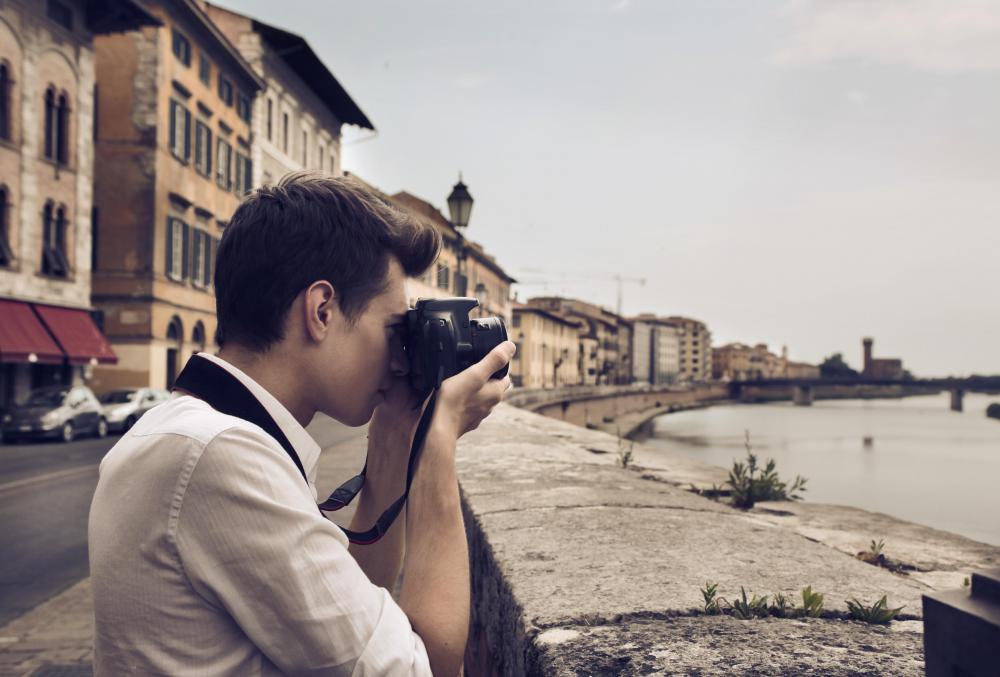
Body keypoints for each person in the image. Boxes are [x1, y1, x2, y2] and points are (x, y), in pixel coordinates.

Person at [88, 172, 515, 676]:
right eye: (394, 328)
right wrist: (438, 440)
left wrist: (395, 443)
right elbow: (426, 666)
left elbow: (354, 613)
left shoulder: (196, 433)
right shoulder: (217, 457)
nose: (400, 360)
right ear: (322, 310)